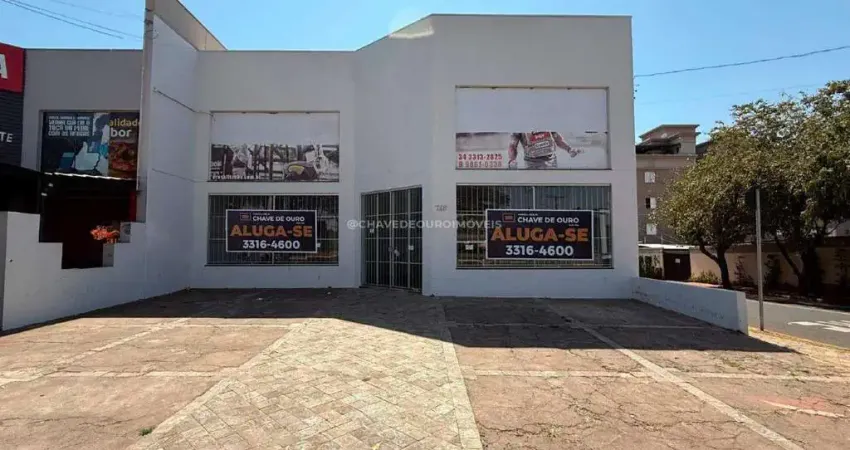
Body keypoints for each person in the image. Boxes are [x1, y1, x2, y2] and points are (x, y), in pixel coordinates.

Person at [507, 131, 582, 169]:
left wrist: (569, 149)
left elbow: (558, 139)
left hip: (551, 163)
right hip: (532, 165)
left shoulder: (546, 120)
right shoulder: (521, 123)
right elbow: (513, 145)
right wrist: (512, 159)